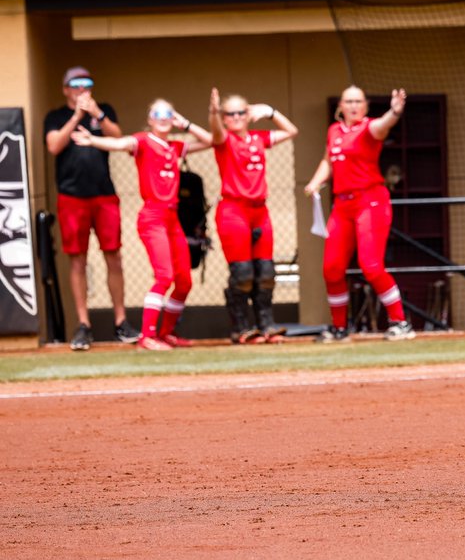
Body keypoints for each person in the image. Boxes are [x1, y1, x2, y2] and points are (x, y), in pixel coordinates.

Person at [72, 99, 213, 350]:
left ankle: (167, 332)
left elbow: (212, 141)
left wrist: (187, 124)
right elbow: (119, 143)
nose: (162, 117)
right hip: (153, 216)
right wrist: (92, 141)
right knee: (164, 276)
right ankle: (148, 335)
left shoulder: (175, 147)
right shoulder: (144, 142)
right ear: (149, 119)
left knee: (184, 282)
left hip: (173, 218)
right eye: (157, 113)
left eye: (167, 113)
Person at [303, 86, 412, 342]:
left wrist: (395, 112)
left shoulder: (369, 127)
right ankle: (340, 329)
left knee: (371, 266)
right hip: (342, 204)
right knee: (331, 267)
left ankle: (400, 322)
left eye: (358, 101)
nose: (353, 106)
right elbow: (328, 161)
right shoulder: (334, 131)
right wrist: (315, 182)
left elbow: (383, 125)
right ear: (340, 105)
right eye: (348, 101)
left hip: (370, 200)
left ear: (365, 105)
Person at [43, 67, 137, 350]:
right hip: (72, 197)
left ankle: (121, 321)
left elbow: (118, 138)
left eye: (86, 83)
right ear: (65, 89)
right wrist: (76, 117)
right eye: (75, 84)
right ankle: (84, 325)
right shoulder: (56, 116)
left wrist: (97, 113)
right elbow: (54, 146)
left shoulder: (103, 110)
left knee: (114, 257)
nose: (81, 88)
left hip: (104, 195)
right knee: (78, 260)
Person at [208, 88, 299, 344]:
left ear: (248, 115)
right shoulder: (224, 140)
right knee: (243, 273)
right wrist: (213, 111)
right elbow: (215, 130)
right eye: (231, 114)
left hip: (260, 210)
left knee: (266, 272)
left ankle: (266, 324)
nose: (236, 117)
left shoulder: (258, 138)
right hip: (234, 210)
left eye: (241, 112)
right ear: (225, 118)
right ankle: (241, 327)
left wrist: (270, 111)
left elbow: (292, 131)